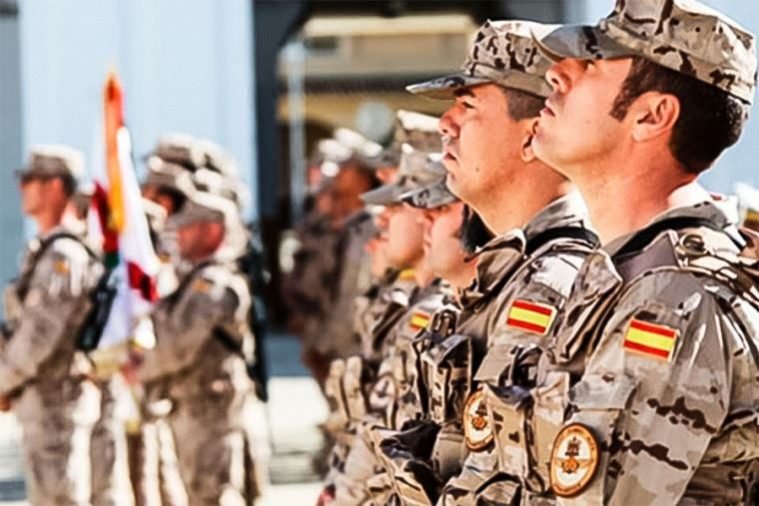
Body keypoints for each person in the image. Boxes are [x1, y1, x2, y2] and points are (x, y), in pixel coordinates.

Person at [523, 0, 759, 503]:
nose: (558, 73)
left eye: (592, 63)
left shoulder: (674, 299)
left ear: (652, 116)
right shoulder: (629, 270)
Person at [406, 20, 599, 504]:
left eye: (468, 105)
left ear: (533, 135)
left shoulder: (555, 282)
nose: (445, 124)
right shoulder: (503, 275)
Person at [129, 191, 255, 505]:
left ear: (213, 231)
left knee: (212, 493)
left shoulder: (213, 282)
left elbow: (178, 345)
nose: (179, 234)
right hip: (192, 402)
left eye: (189, 227)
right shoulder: (193, 278)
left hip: (209, 405)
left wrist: (137, 369)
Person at [1, 146, 103, 505]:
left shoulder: (63, 255)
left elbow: (39, 336)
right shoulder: (47, 250)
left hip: (56, 405)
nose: (22, 188)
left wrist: (3, 380)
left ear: (56, 186)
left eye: (31, 179)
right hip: (44, 403)